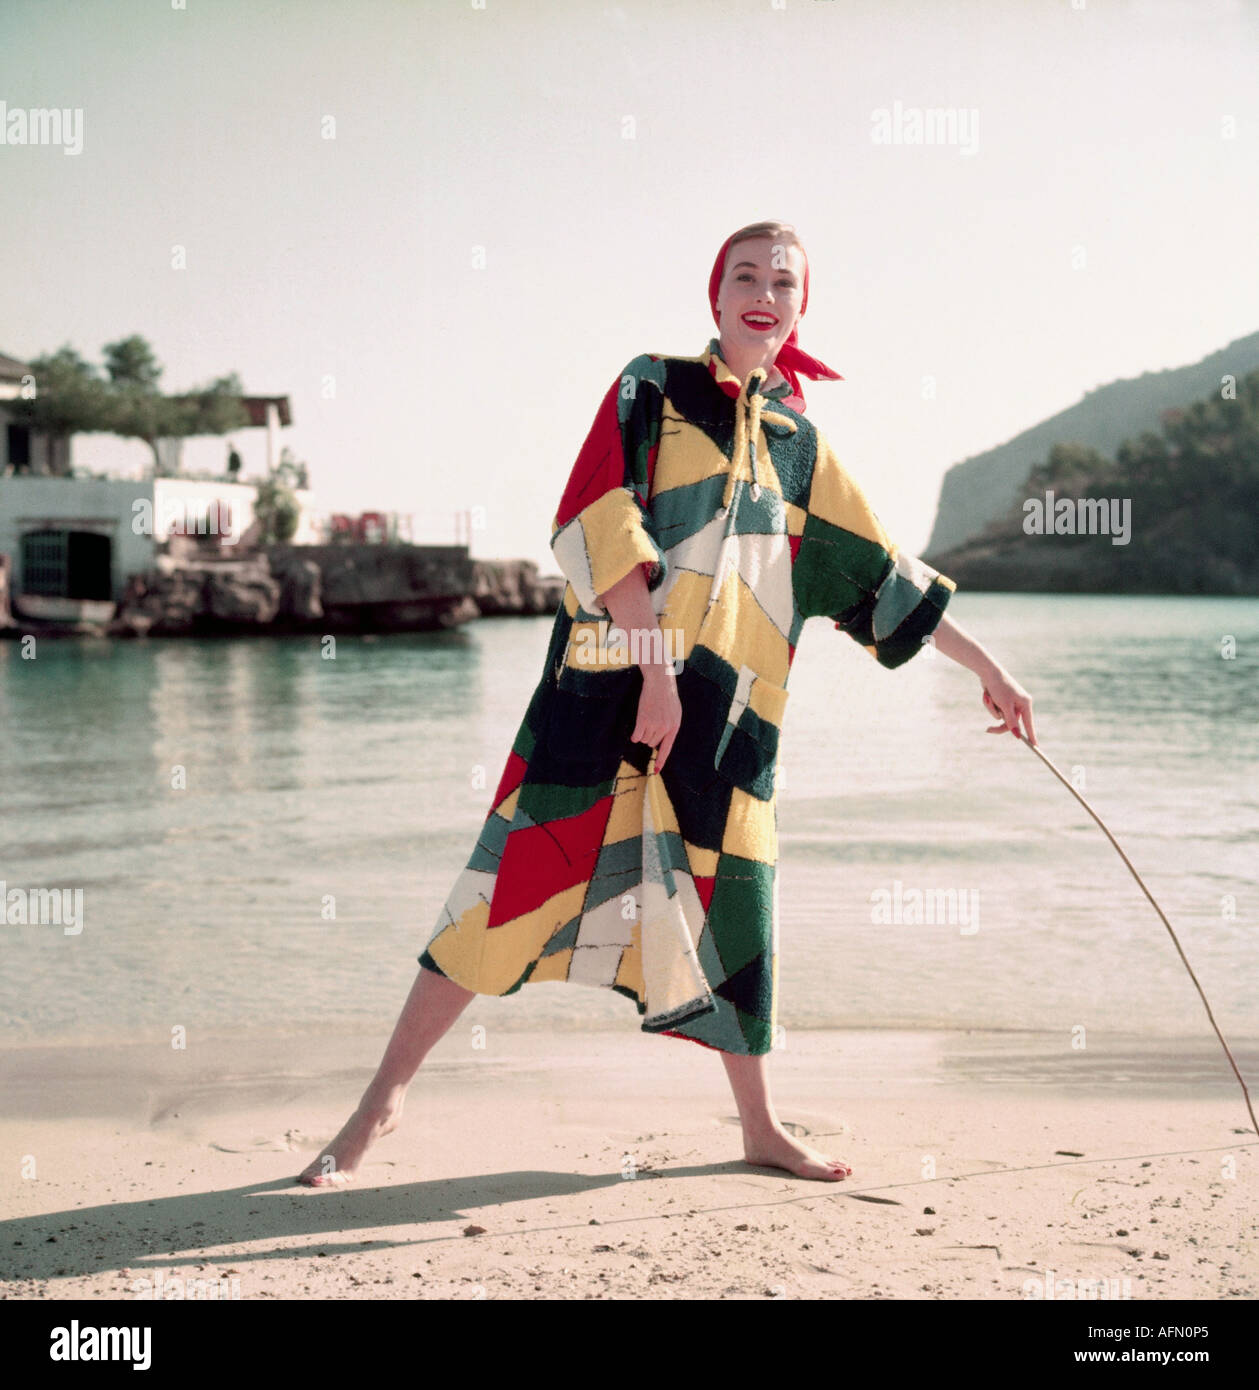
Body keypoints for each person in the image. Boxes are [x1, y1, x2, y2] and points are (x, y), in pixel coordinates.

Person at [297, 220, 1036, 1188]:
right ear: (713, 294)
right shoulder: (652, 387)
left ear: (800, 307)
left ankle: (759, 1128)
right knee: (504, 887)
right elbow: (598, 515)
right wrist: (650, 670)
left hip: (726, 729)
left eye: (782, 280)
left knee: (738, 916)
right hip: (605, 690)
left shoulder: (799, 452)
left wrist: (986, 664)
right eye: (744, 274)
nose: (762, 290)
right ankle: (377, 1104)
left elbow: (880, 576)